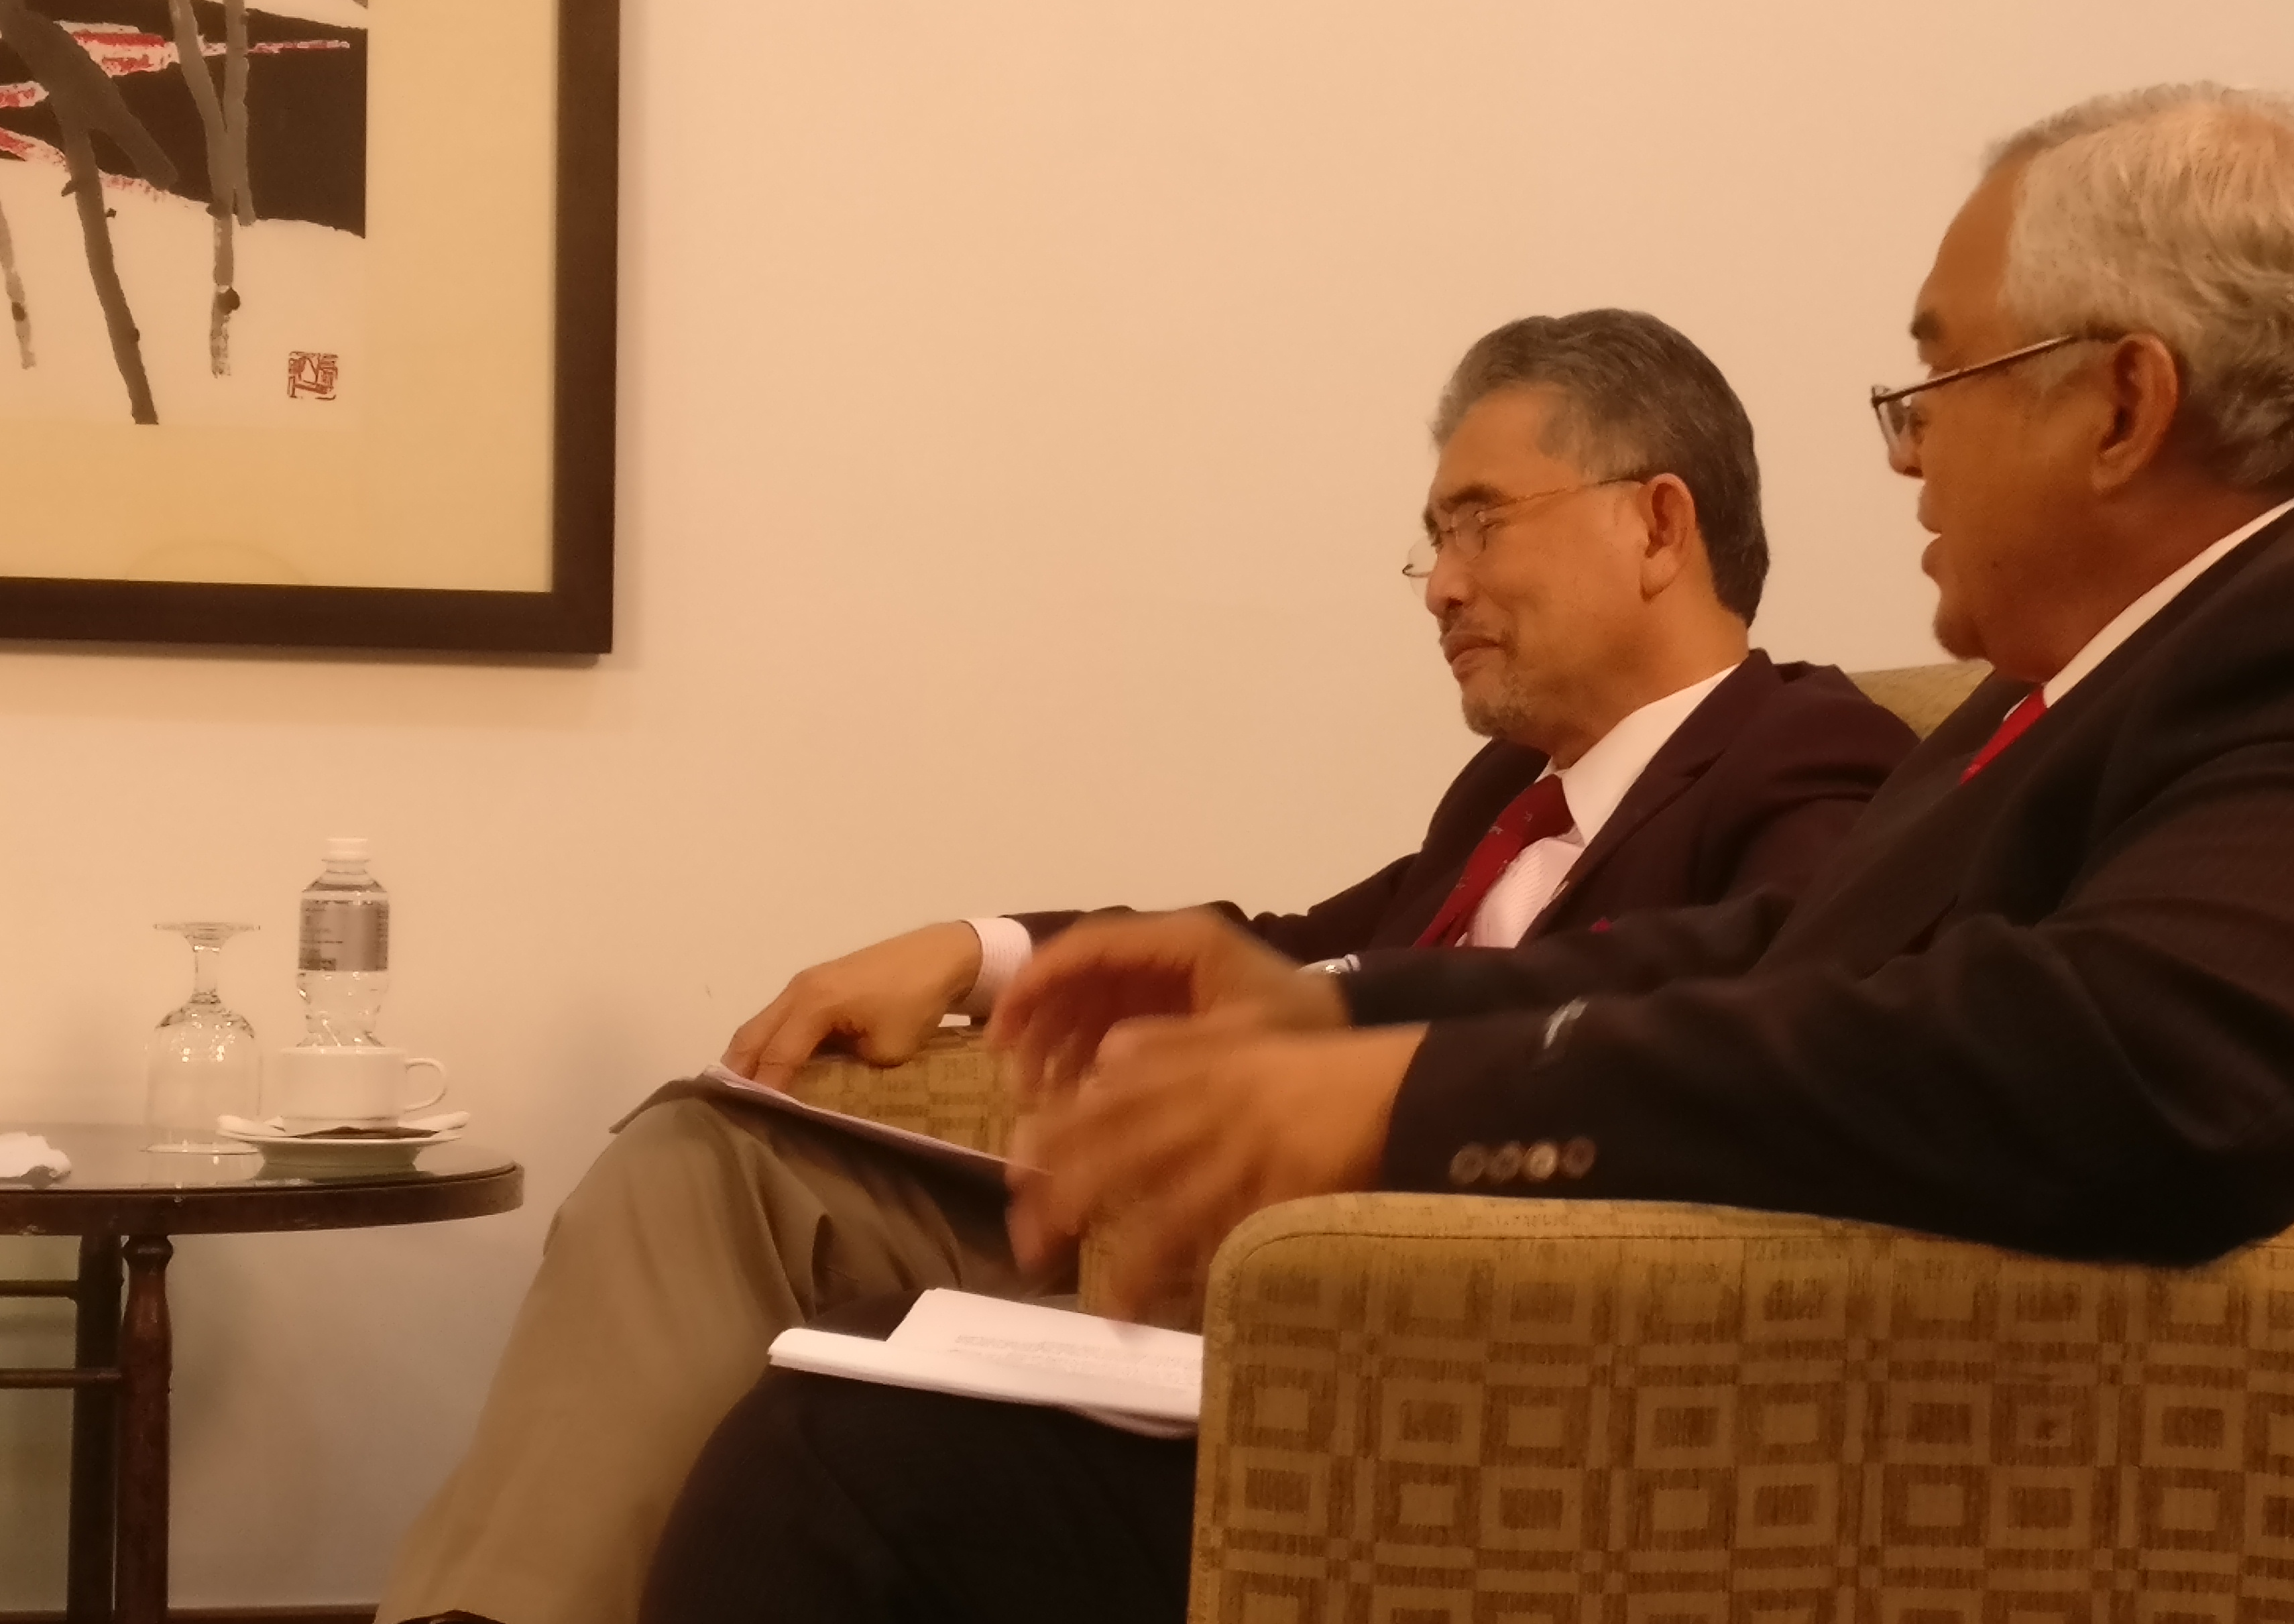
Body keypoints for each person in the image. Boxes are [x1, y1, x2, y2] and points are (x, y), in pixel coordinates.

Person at [632, 80, 2294, 1624]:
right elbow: (1777, 957)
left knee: (856, 1467)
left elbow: (2137, 1058)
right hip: (1731, 1393)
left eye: (1936, 383)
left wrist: (1409, 1098)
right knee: (862, 1400)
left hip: (1871, 1476)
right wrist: (1336, 1017)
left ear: (2122, 402)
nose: (1904, 453)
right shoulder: (2077, 689)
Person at [374, 310, 1918, 1624]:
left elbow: (1749, 1002)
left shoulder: (1808, 751)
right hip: (1204, 1241)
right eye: (1433, 541)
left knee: (830, 1427)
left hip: (1419, 1322)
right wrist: (974, 950)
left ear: (1656, 523)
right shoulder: (1507, 800)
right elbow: (1290, 950)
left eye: (1479, 523)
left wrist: (1351, 1071)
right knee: (712, 1164)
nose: (1441, 585)